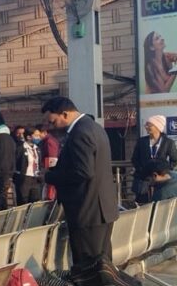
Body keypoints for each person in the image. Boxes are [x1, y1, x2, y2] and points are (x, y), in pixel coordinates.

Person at [42, 96, 119, 268]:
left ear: (64, 114)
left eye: (52, 122)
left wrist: (50, 177)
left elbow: (83, 171)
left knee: (88, 266)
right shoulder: (93, 127)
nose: (51, 127)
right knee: (102, 264)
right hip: (100, 209)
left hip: (87, 210)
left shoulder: (80, 133)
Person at [131, 115, 177, 203]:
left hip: (160, 180)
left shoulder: (168, 142)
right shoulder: (141, 141)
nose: (146, 127)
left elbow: (174, 160)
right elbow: (134, 159)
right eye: (146, 125)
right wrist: (142, 170)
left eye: (149, 125)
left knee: (159, 203)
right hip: (143, 178)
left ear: (158, 126)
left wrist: (165, 172)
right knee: (142, 204)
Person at [14, 128, 42, 206]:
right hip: (24, 178)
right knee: (23, 201)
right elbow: (14, 162)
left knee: (35, 201)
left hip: (35, 178)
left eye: (39, 135)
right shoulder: (20, 148)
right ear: (29, 137)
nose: (38, 137)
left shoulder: (37, 148)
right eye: (36, 135)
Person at [36, 124, 60, 200]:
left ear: (44, 132)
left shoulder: (49, 141)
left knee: (49, 193)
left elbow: (52, 158)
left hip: (49, 169)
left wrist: (47, 172)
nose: (37, 137)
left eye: (38, 135)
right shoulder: (49, 140)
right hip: (49, 169)